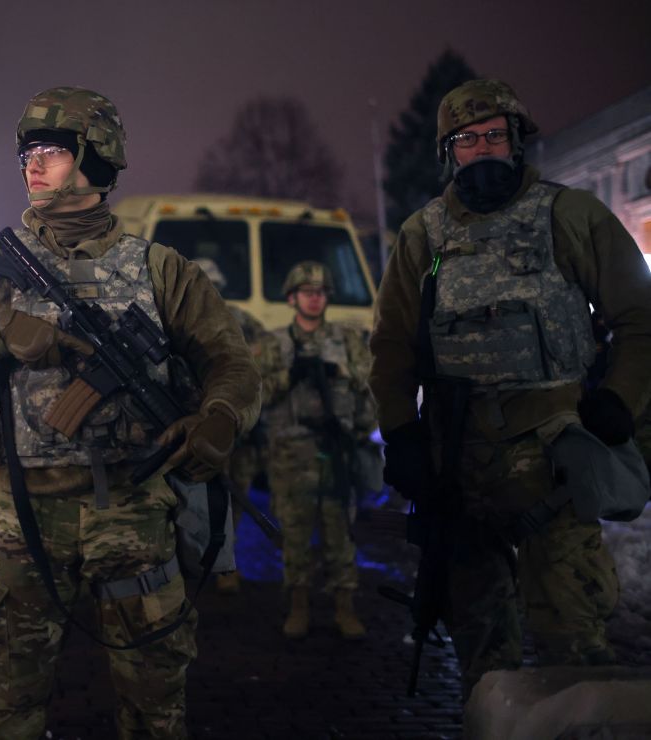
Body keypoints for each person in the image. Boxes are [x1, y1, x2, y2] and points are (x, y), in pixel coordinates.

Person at [0, 86, 261, 739]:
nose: (32, 164)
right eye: (26, 152)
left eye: (52, 150)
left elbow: (231, 362)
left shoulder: (159, 269)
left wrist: (219, 418)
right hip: (22, 514)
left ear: (95, 156)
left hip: (132, 510)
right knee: (8, 704)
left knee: (155, 701)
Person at [370, 79, 651, 699]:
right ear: (449, 151)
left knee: (578, 652)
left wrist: (619, 400)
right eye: (466, 139)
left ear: (517, 140)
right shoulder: (424, 235)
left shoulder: (572, 216)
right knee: (483, 663)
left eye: (495, 134)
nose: (483, 148)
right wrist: (402, 432)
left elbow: (640, 319)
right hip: (459, 473)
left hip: (556, 463)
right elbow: (391, 346)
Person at [262, 262, 373, 640]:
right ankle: (299, 607)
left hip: (337, 450)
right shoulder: (274, 342)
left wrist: (338, 373)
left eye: (321, 292)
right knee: (295, 535)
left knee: (341, 533)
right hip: (292, 454)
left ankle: (345, 607)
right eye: (307, 291)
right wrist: (288, 377)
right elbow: (254, 393)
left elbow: (367, 383)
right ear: (292, 297)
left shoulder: (347, 340)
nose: (314, 298)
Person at [190, 257, 280, 594]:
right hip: (192, 428)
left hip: (234, 431)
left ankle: (225, 566)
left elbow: (264, 368)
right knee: (189, 499)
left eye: (213, 285)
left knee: (232, 497)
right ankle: (191, 565)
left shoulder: (241, 322)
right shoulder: (176, 323)